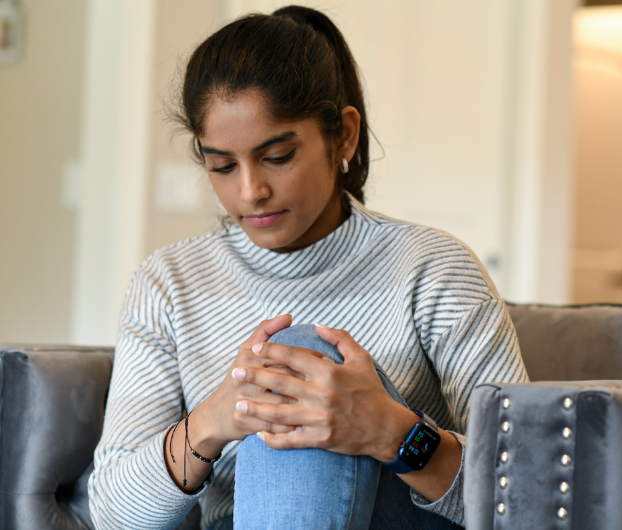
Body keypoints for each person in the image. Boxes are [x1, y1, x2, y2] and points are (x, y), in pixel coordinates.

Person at [88, 6, 528, 530]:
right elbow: (113, 515)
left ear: (343, 136)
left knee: (302, 361)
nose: (251, 191)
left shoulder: (431, 269)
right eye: (222, 166)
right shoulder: (168, 283)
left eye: (277, 156)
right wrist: (216, 418)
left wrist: (393, 433)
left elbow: (526, 496)